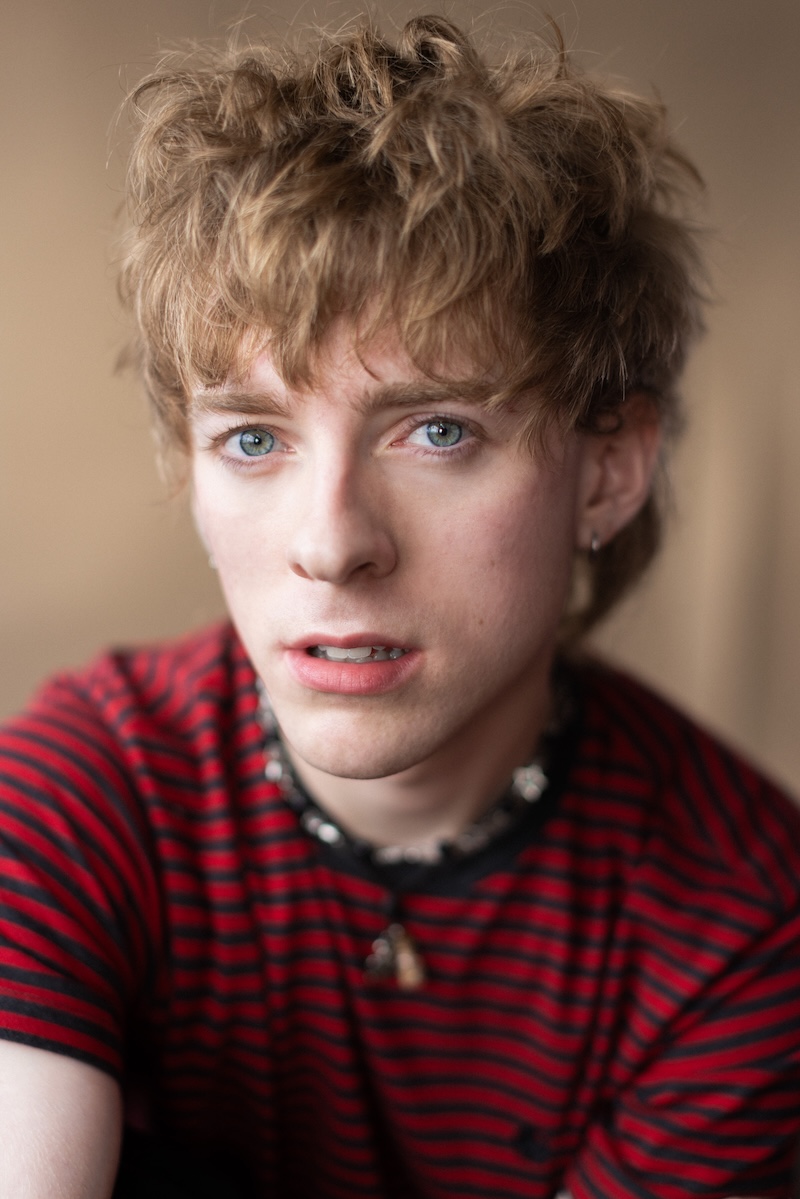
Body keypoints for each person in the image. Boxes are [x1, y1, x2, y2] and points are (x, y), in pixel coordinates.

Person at [1, 14, 798, 1199]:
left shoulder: (742, 922)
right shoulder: (79, 796)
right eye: (253, 437)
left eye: (436, 432)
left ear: (606, 469)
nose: (330, 543)